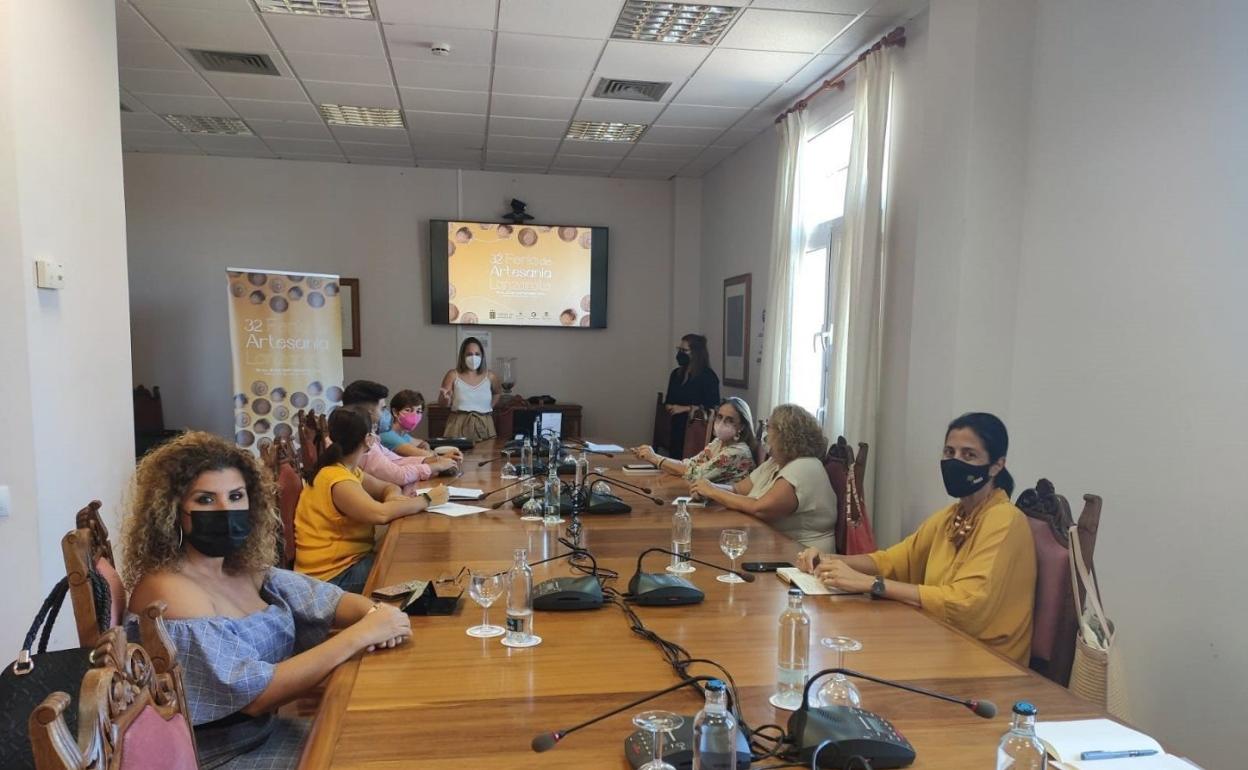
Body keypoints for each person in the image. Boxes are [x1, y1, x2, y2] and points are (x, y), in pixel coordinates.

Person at [121, 431, 413, 770]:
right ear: (173, 510)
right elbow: (257, 697)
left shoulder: (240, 567)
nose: (226, 510)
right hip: (217, 756)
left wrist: (374, 613)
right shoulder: (168, 590)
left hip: (265, 733)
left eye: (235, 496)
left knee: (388, 740)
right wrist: (363, 634)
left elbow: (328, 599)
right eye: (205, 500)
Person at [796, 413, 1037, 664]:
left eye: (969, 455)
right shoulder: (953, 516)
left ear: (997, 465)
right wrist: (828, 559)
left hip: (988, 660)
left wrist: (871, 584)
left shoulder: (1005, 519)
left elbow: (966, 603)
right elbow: (894, 561)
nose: (955, 462)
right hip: (941, 638)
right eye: (949, 452)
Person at [295, 408, 449, 593]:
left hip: (347, 563)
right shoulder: (338, 480)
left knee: (406, 556)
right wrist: (428, 499)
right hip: (332, 577)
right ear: (368, 439)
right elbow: (380, 514)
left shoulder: (346, 469)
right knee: (409, 564)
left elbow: (387, 487)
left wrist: (392, 497)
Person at [690, 404, 836, 551]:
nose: (765, 434)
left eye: (768, 427)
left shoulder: (805, 466)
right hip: (772, 543)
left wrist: (713, 492)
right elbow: (738, 489)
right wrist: (708, 489)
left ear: (785, 434)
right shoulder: (775, 462)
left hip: (803, 553)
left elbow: (759, 508)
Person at [631, 397, 757, 485]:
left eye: (729, 420)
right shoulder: (718, 442)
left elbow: (696, 475)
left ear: (742, 426)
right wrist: (652, 457)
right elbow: (689, 464)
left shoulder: (738, 452)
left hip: (728, 510)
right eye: (719, 417)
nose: (722, 423)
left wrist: (655, 458)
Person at [663, 334, 721, 457]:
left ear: (696, 353)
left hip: (696, 430)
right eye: (679, 349)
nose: (680, 353)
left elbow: (713, 408)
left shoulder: (708, 377)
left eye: (684, 350)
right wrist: (670, 407)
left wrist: (686, 408)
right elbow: (669, 401)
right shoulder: (676, 374)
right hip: (676, 426)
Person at [437, 336, 500, 442]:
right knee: (456, 452)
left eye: (477, 354)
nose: (474, 357)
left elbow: (497, 393)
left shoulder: (491, 376)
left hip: (484, 424)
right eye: (469, 354)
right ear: (462, 356)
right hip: (457, 424)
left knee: (487, 451)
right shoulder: (452, 375)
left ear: (482, 356)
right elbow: (442, 403)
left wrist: (489, 407)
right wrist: (446, 399)